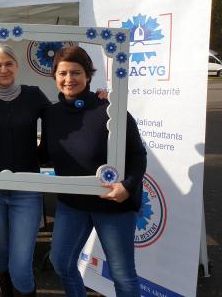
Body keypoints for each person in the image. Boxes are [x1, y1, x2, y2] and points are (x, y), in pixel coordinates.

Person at [42, 46, 147, 297]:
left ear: (88, 75)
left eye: (76, 72)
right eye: (63, 73)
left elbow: (137, 154)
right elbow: (43, 154)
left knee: (122, 275)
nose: (69, 79)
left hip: (112, 204)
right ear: (55, 76)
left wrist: (128, 186)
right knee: (62, 263)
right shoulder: (51, 115)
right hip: (72, 204)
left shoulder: (110, 108)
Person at [0, 44, 50, 297]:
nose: (3, 69)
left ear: (17, 66)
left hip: (26, 190)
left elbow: (62, 119)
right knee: (2, 255)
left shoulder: (34, 95)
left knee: (21, 264)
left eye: (8, 64)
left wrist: (97, 100)